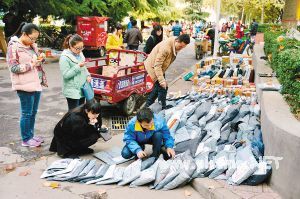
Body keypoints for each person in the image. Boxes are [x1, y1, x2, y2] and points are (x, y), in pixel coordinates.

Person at [7, 22, 47, 147]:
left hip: (36, 83)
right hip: (24, 85)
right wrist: (31, 65)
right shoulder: (14, 46)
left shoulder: (32, 46)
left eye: (36, 39)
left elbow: (36, 61)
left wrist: (41, 58)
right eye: (32, 38)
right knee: (26, 113)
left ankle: (31, 135)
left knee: (33, 112)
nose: (34, 41)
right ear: (24, 34)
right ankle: (26, 139)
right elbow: (13, 68)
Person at [145, 34, 190, 109]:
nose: (180, 49)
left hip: (160, 68)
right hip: (153, 67)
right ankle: (161, 107)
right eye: (180, 46)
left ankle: (154, 106)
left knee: (159, 88)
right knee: (163, 87)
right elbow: (157, 65)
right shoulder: (165, 48)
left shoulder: (174, 43)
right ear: (177, 41)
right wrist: (161, 80)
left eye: (183, 47)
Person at [60, 34, 91, 110]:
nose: (80, 50)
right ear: (70, 46)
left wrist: (87, 75)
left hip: (82, 88)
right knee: (73, 113)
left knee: (81, 111)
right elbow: (66, 75)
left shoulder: (80, 54)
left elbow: (84, 68)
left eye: (82, 47)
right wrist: (78, 66)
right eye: (77, 48)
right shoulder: (64, 57)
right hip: (72, 90)